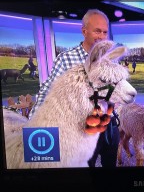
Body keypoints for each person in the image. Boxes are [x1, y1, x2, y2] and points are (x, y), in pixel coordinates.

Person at [29, 9, 119, 168]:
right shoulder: (66, 58)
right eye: (97, 31)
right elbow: (48, 90)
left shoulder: (110, 58)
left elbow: (116, 89)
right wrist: (34, 124)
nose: (102, 36)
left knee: (110, 167)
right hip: (82, 128)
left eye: (105, 32)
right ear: (84, 31)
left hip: (108, 125)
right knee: (85, 169)